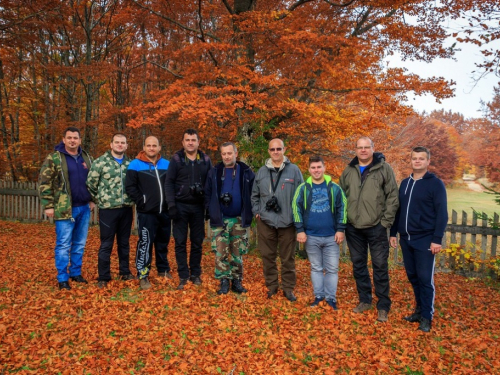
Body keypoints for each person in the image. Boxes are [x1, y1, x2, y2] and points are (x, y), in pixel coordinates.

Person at [339, 136, 398, 322]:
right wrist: (344, 222)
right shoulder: (349, 170)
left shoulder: (384, 169)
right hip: (354, 228)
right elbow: (340, 197)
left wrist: (385, 222)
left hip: (376, 227)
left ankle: (383, 305)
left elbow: (392, 197)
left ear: (373, 148)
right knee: (358, 265)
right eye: (360, 147)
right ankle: (365, 300)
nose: (363, 150)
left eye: (367, 147)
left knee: (380, 265)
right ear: (355, 149)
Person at [390, 146, 448, 333]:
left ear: (427, 161)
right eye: (414, 158)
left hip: (425, 239)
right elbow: (399, 210)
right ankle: (418, 311)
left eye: (421, 159)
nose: (417, 161)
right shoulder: (405, 183)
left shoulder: (435, 184)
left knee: (424, 278)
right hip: (406, 238)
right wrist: (393, 233)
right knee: (413, 276)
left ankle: (426, 317)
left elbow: (442, 214)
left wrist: (436, 239)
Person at [38, 126, 95, 290]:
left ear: (79, 140)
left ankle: (75, 273)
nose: (72, 140)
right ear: (64, 139)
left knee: (79, 243)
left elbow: (93, 181)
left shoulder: (86, 158)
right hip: (64, 209)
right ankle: (62, 278)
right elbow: (44, 182)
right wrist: (48, 205)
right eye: (69, 138)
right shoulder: (54, 158)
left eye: (75, 138)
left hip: (84, 208)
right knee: (63, 244)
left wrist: (93, 200)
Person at [251, 138, 304, 302]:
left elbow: (301, 195)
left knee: (288, 257)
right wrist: (256, 212)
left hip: (287, 222)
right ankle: (272, 285)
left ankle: (288, 288)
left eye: (278, 149)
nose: (275, 152)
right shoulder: (261, 172)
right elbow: (254, 195)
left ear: (284, 150)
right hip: (266, 221)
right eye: (272, 149)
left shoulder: (294, 171)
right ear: (269, 151)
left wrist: (297, 217)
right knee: (268, 256)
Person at [292, 156, 347, 309]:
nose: (316, 170)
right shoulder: (303, 189)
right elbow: (296, 208)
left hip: (331, 236)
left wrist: (341, 229)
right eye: (313, 168)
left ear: (324, 167)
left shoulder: (334, 188)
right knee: (316, 267)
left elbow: (343, 207)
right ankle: (318, 296)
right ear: (309, 170)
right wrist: (300, 230)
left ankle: (331, 298)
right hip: (311, 236)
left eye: (319, 167)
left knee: (332, 269)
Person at [205, 142, 255, 295]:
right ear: (221, 155)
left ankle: (237, 280)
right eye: (224, 154)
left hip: (239, 219)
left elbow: (254, 194)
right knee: (220, 252)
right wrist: (211, 210)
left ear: (235, 153)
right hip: (220, 219)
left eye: (229, 153)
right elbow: (207, 194)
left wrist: (249, 212)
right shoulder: (214, 172)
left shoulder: (246, 172)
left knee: (237, 252)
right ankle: (223, 281)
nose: (227, 156)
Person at [165, 129, 212, 290]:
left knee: (197, 242)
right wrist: (171, 205)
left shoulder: (205, 160)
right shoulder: (177, 159)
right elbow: (169, 183)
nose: (190, 142)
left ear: (198, 142)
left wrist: (208, 207)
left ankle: (195, 274)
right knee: (180, 242)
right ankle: (183, 275)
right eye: (187, 140)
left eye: (193, 140)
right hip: (180, 206)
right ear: (183, 142)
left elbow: (209, 184)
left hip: (198, 207)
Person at [86, 133, 135, 288]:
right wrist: (99, 199)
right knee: (106, 243)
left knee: (124, 243)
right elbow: (91, 184)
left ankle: (125, 271)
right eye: (117, 142)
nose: (120, 145)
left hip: (126, 208)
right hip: (108, 210)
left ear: (126, 145)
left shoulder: (130, 164)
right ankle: (104, 276)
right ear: (111, 144)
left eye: (123, 142)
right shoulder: (100, 162)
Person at [125, 136, 171, 290]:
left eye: (154, 145)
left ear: (159, 148)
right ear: (144, 147)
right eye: (148, 145)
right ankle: (143, 274)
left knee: (163, 241)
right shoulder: (135, 164)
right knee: (145, 242)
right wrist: (142, 201)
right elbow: (130, 187)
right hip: (146, 212)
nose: (151, 148)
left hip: (164, 211)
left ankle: (163, 269)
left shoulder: (167, 164)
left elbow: (172, 184)